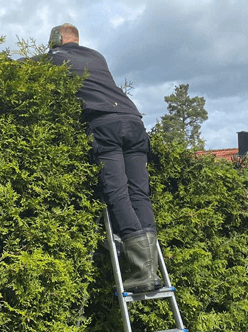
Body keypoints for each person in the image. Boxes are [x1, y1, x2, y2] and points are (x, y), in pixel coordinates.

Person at [44, 23, 161, 293]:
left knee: (117, 193)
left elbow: (28, 66)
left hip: (106, 125)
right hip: (134, 121)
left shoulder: (56, 57)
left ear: (57, 39)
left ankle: (142, 271)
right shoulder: (97, 56)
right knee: (139, 194)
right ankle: (151, 269)